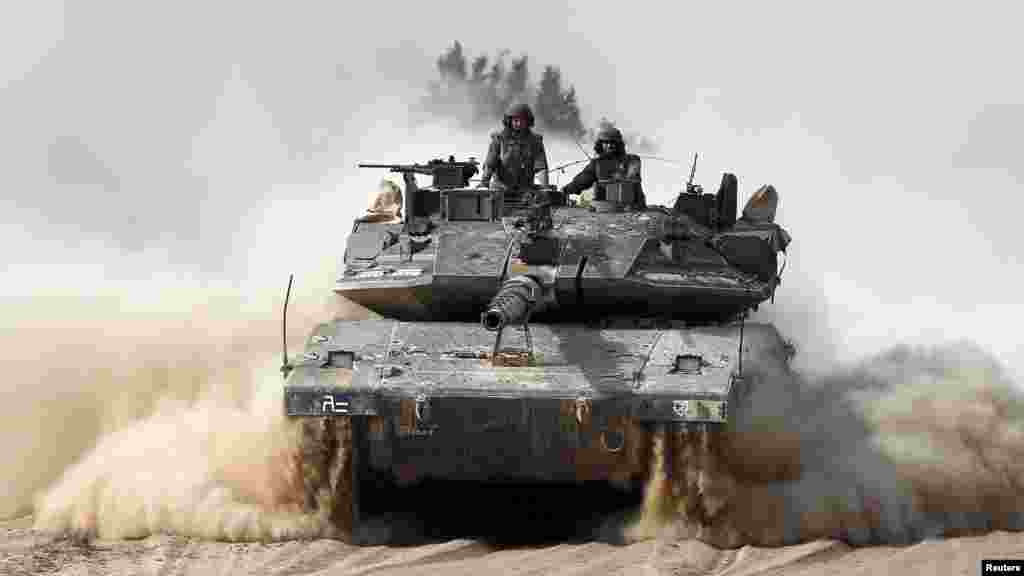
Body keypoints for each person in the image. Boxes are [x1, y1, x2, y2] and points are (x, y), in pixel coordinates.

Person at [478, 103, 550, 204]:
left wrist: (545, 188)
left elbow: (541, 167)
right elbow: (490, 164)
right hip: (500, 189)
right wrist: (484, 183)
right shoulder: (499, 139)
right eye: (516, 120)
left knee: (529, 210)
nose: (519, 123)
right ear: (509, 121)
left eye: (522, 120)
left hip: (525, 190)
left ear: (528, 121)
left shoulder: (535, 141)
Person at [560, 125, 645, 210]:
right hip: (611, 208)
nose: (609, 145)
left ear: (619, 144)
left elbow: (633, 180)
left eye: (613, 142)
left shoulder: (632, 160)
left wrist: (564, 190)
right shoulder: (598, 163)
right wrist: (567, 189)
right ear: (600, 144)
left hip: (629, 208)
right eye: (606, 142)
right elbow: (581, 181)